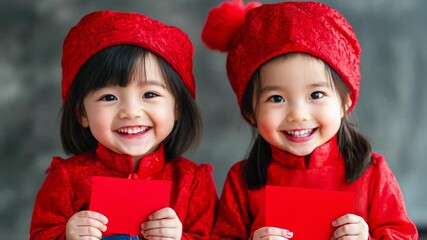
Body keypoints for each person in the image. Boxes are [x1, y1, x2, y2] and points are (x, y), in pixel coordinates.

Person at [201, 1, 418, 239]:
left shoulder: (373, 173)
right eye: (276, 98)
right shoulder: (241, 180)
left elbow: (403, 234)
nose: (298, 114)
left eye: (316, 95)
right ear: (251, 111)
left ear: (345, 101)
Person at [30, 10, 218, 240]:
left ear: (177, 106)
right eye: (109, 97)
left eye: (149, 94)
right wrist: (66, 236)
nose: (130, 112)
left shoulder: (193, 181)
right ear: (82, 113)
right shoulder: (66, 178)